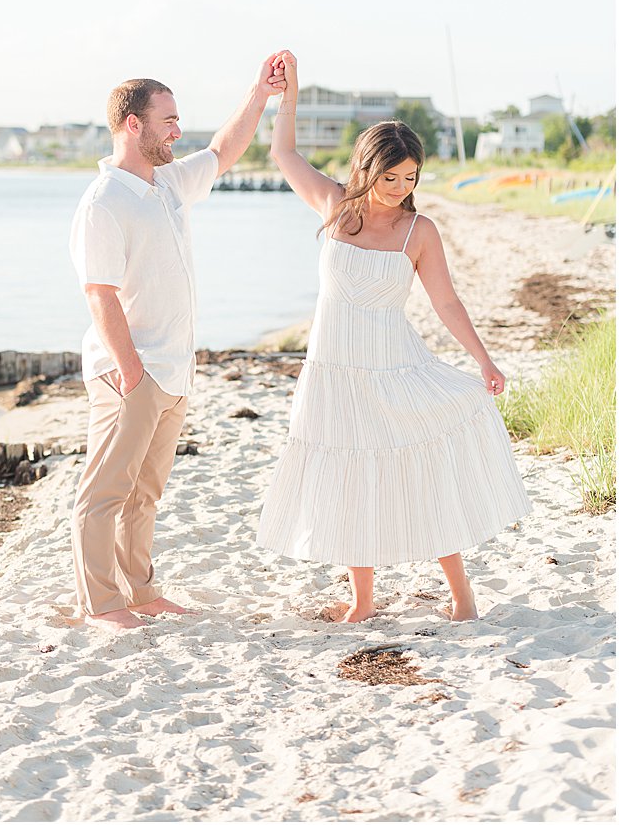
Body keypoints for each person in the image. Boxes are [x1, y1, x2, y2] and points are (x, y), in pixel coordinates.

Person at [256, 54, 531, 622]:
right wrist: (290, 94)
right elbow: (283, 152)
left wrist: (483, 360)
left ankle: (462, 597)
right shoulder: (334, 207)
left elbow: (446, 302)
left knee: (422, 474)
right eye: (391, 178)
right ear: (365, 169)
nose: (401, 187)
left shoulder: (418, 230)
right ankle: (362, 601)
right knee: (352, 480)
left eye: (410, 178)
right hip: (333, 373)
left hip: (394, 370)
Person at [68, 54, 288, 630]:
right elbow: (100, 294)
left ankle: (139, 591)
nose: (176, 129)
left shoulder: (166, 183)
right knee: (105, 493)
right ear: (132, 125)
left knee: (144, 494)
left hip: (173, 372)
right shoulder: (102, 203)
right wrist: (131, 369)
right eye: (167, 119)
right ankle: (103, 604)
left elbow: (223, 150)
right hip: (129, 374)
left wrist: (259, 96)